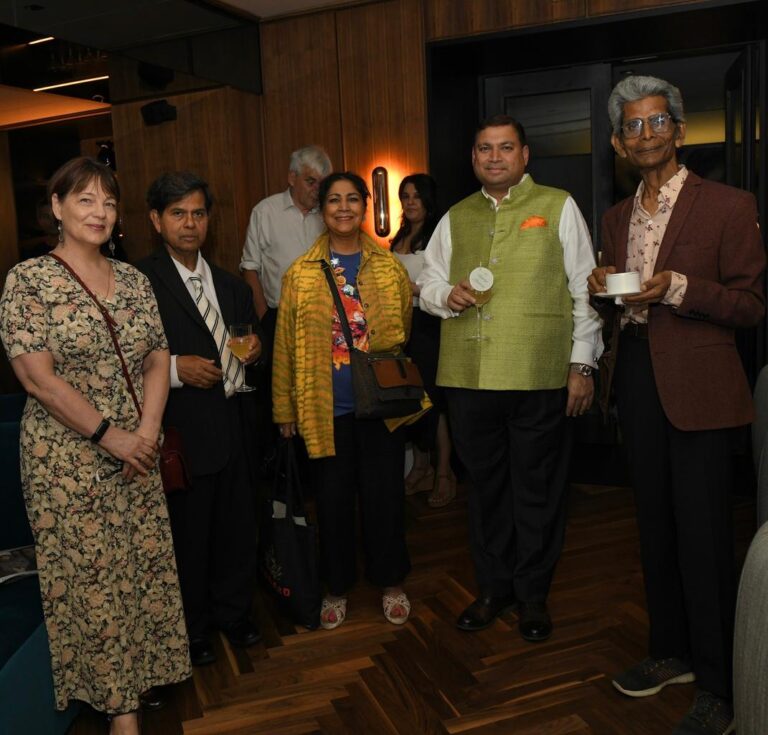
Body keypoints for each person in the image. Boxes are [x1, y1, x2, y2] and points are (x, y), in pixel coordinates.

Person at [588, 75, 765, 735]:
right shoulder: (614, 217)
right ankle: (671, 652)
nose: (645, 136)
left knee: (705, 535)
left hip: (702, 386)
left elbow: (750, 305)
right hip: (637, 378)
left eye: (657, 122)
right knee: (654, 525)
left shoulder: (727, 203)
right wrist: (602, 284)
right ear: (617, 141)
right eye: (632, 126)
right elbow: (620, 301)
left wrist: (681, 287)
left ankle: (720, 685)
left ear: (679, 130)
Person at [0, 157, 190, 735]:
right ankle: (121, 715)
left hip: (136, 453)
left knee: (140, 570)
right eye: (84, 200)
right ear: (56, 208)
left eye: (108, 202)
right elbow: (38, 379)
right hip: (68, 462)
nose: (100, 212)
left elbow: (158, 356)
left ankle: (136, 681)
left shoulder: (133, 279)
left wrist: (148, 434)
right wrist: (113, 437)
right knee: (93, 584)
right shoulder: (27, 280)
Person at [418, 114, 603, 642]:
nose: (493, 157)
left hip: (540, 375)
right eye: (483, 149)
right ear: (473, 158)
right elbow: (426, 281)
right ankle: (494, 588)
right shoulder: (454, 216)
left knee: (538, 490)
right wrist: (443, 296)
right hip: (470, 379)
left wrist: (582, 363)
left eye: (504, 148)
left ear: (525, 156)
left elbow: (583, 289)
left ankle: (533, 597)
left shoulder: (557, 205)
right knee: (487, 492)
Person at [272, 171, 428, 630]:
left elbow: (401, 330)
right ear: (322, 211)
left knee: (385, 500)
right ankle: (336, 587)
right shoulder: (299, 274)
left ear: (364, 207)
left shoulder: (388, 267)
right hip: (325, 410)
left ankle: (391, 581)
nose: (343, 208)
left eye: (352, 200)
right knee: (333, 503)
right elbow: (284, 346)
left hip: (378, 407)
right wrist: (285, 410)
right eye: (334, 200)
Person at [136, 172, 263, 668]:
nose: (190, 224)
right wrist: (173, 369)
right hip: (183, 431)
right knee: (190, 535)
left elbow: (247, 340)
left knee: (237, 527)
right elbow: (125, 359)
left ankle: (234, 612)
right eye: (178, 214)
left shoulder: (230, 285)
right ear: (156, 220)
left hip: (237, 425)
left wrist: (255, 350)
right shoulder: (139, 282)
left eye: (198, 213)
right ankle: (192, 628)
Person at [390, 174, 456, 507]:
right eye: (405, 196)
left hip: (430, 324)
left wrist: (411, 289)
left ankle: (444, 473)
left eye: (416, 196)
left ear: (428, 200)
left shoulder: (439, 233)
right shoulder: (400, 235)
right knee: (412, 398)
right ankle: (420, 467)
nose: (410, 202)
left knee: (435, 400)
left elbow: (445, 284)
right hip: (402, 326)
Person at [240, 145, 333, 339]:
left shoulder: (330, 215)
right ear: (292, 178)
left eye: (322, 184)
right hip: (278, 316)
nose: (317, 190)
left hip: (325, 317)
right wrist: (264, 316)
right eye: (310, 182)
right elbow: (250, 267)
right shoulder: (265, 212)